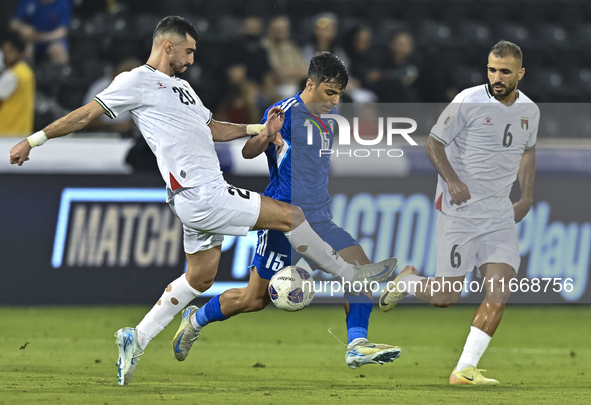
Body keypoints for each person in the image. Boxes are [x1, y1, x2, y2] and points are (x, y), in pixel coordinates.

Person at [9, 16, 397, 386]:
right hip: (203, 192)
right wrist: (35, 140)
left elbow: (211, 128)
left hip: (198, 196)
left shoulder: (183, 88)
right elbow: (86, 114)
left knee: (201, 277)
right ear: (167, 46)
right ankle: (351, 276)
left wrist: (258, 127)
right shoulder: (136, 81)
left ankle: (137, 337)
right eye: (189, 52)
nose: (193, 60)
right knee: (291, 215)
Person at [172, 52, 401, 369]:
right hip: (282, 219)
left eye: (339, 95)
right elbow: (250, 151)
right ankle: (195, 319)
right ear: (310, 84)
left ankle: (357, 345)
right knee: (254, 300)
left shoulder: (327, 124)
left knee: (359, 271)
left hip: (319, 219)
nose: (335, 101)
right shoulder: (286, 113)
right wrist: (266, 133)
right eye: (329, 93)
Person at [380, 40, 539, 385]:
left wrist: (525, 197)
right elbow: (432, 143)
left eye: (505, 71)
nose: (497, 77)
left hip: (499, 215)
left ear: (520, 74)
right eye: (492, 70)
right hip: (461, 213)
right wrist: (451, 180)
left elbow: (528, 152)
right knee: (445, 297)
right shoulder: (467, 101)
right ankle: (408, 281)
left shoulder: (531, 110)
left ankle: (464, 370)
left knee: (499, 292)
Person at [82, 58, 141, 133]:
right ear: (114, 74)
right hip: (99, 135)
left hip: (129, 135)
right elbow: (88, 120)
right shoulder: (100, 88)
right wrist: (115, 126)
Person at [10, 0, 71, 65]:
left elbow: (62, 31)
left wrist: (42, 37)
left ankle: (62, 72)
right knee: (25, 48)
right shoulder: (27, 1)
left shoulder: (63, 3)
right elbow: (13, 24)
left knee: (58, 50)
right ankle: (26, 72)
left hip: (51, 39)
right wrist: (22, 28)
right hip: (30, 39)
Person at [261, 15, 307, 100]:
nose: (281, 31)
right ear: (270, 29)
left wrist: (288, 73)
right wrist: (296, 72)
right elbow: (278, 74)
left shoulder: (291, 46)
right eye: (277, 28)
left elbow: (304, 71)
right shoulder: (264, 47)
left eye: (284, 28)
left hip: (295, 87)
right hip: (274, 90)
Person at [0, 31, 35, 136]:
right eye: (5, 51)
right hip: (22, 132)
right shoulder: (27, 72)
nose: (6, 56)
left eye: (10, 51)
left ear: (20, 53)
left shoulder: (12, 75)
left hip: (5, 132)